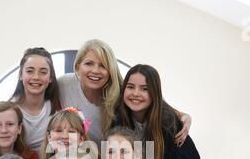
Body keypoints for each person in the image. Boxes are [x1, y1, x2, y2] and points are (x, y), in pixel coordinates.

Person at [58, 40, 191, 146]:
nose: (95, 70)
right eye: (89, 63)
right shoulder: (64, 84)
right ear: (77, 67)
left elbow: (159, 105)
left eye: (103, 66)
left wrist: (185, 117)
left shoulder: (125, 92)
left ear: (110, 71)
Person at [114, 64, 208, 159]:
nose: (135, 93)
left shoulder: (170, 124)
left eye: (144, 89)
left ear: (154, 93)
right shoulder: (117, 120)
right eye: (130, 87)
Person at [10, 47, 60, 152]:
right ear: (21, 75)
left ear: (50, 78)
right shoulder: (9, 110)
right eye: (30, 71)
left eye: (43, 72)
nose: (36, 77)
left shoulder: (57, 108)